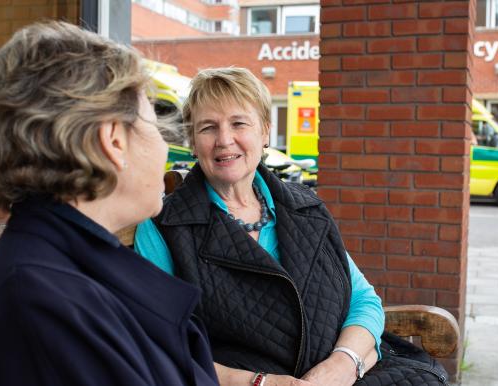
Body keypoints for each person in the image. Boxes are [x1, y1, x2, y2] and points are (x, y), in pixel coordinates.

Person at [0, 21, 219, 386]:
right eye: (155, 126)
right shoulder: (44, 312)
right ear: (113, 141)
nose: (165, 150)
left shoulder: (64, 277)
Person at [134, 68, 448, 386]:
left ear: (265, 132)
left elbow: (363, 300)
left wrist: (344, 364)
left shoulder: (305, 208)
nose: (224, 139)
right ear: (191, 140)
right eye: (208, 127)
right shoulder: (163, 228)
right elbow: (158, 345)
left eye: (239, 123)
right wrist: (260, 383)